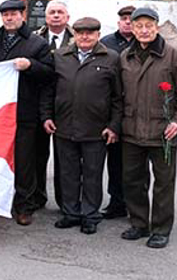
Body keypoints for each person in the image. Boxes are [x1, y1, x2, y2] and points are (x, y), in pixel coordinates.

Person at [119, 7, 177, 249]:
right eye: (139, 26)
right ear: (132, 28)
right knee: (133, 181)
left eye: (148, 25)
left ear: (157, 27)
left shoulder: (174, 56)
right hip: (131, 131)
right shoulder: (125, 57)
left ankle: (161, 228)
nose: (144, 30)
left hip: (163, 132)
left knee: (163, 183)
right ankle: (139, 223)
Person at [40, 17, 122, 235]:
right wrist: (46, 116)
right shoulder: (60, 56)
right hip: (64, 126)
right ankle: (71, 212)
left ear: (98, 34)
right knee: (67, 173)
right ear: (73, 34)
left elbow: (118, 97)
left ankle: (90, 215)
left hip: (96, 129)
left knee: (92, 173)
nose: (85, 37)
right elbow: (49, 90)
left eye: (90, 33)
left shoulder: (111, 58)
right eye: (80, 33)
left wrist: (114, 125)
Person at [0, 0, 54, 226]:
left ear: (23, 15)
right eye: (5, 15)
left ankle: (24, 206)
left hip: (24, 113)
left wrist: (31, 65)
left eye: (14, 14)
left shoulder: (37, 44)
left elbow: (50, 74)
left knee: (24, 162)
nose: (9, 18)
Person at [34, 0, 73, 211]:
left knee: (65, 159)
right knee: (38, 156)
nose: (56, 16)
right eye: (52, 13)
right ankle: (38, 197)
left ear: (67, 17)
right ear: (46, 17)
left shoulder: (78, 40)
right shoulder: (35, 39)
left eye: (60, 12)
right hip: (39, 105)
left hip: (68, 106)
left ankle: (65, 201)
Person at [98, 5, 136, 220]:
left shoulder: (144, 42)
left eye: (131, 19)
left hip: (136, 110)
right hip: (112, 109)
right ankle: (116, 202)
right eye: (124, 18)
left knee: (135, 164)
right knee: (115, 160)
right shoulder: (107, 43)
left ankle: (135, 203)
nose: (127, 22)